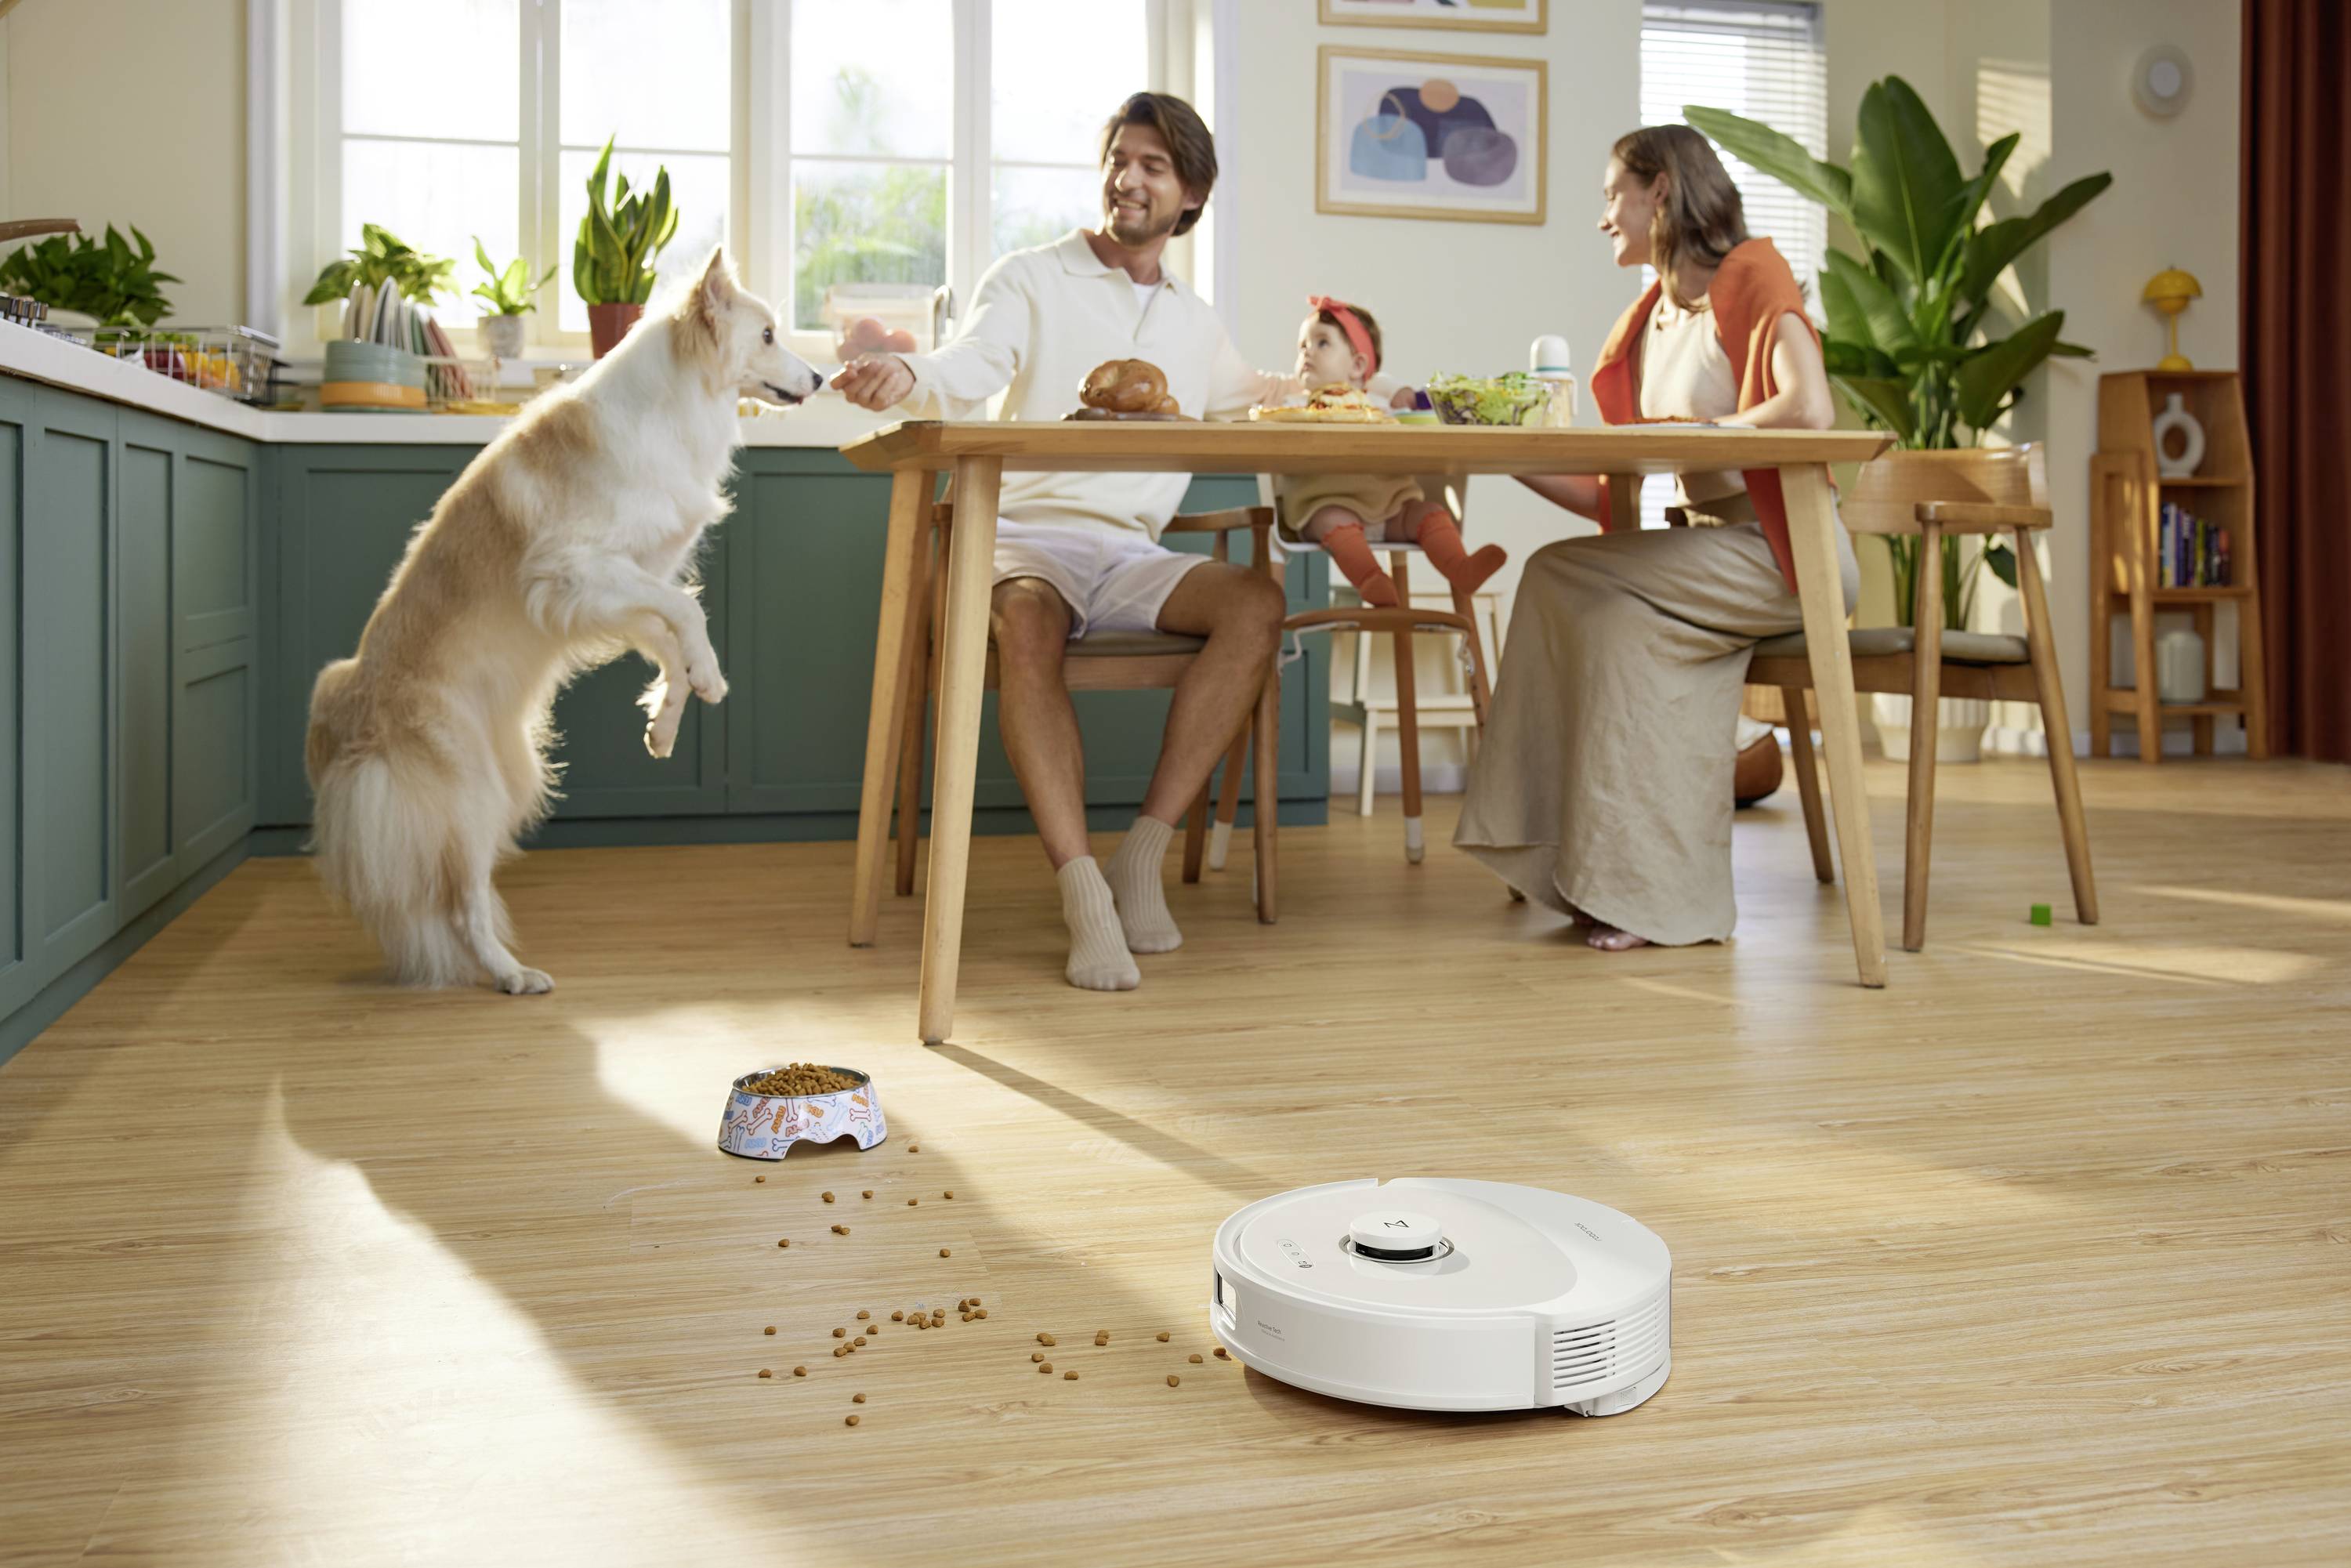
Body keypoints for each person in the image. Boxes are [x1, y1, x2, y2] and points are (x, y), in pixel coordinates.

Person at [832, 92, 1297, 994]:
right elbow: (971, 364)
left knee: (1256, 604)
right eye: (1121, 159)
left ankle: (1141, 859)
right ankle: (1082, 888)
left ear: (1191, 193)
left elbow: (1261, 393)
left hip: (1130, 555)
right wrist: (907, 371)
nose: (1128, 178)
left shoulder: (1196, 325)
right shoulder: (1029, 276)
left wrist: (1373, 389)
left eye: (1153, 166)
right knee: (1027, 622)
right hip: (1023, 540)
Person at [1452, 125, 1860, 952]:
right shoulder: (1646, 323)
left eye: (1613, 195)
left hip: (1781, 558)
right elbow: (1612, 490)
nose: (1604, 216)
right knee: (1590, 605)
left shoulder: (1752, 274)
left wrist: (1711, 429)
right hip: (1699, 556)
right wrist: (1495, 451)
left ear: (1661, 190)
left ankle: (1623, 883)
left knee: (1567, 580)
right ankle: (1610, 881)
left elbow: (1810, 408)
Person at [1271, 297, 1505, 607]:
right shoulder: (1295, 408)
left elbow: (1408, 403)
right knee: (1331, 520)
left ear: (1357, 366)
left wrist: (1393, 391)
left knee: (1430, 513)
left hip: (1393, 507)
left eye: (1322, 343)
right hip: (1324, 505)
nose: (1307, 352)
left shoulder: (1379, 408)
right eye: (1302, 345)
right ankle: (1371, 580)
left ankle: (1461, 568)